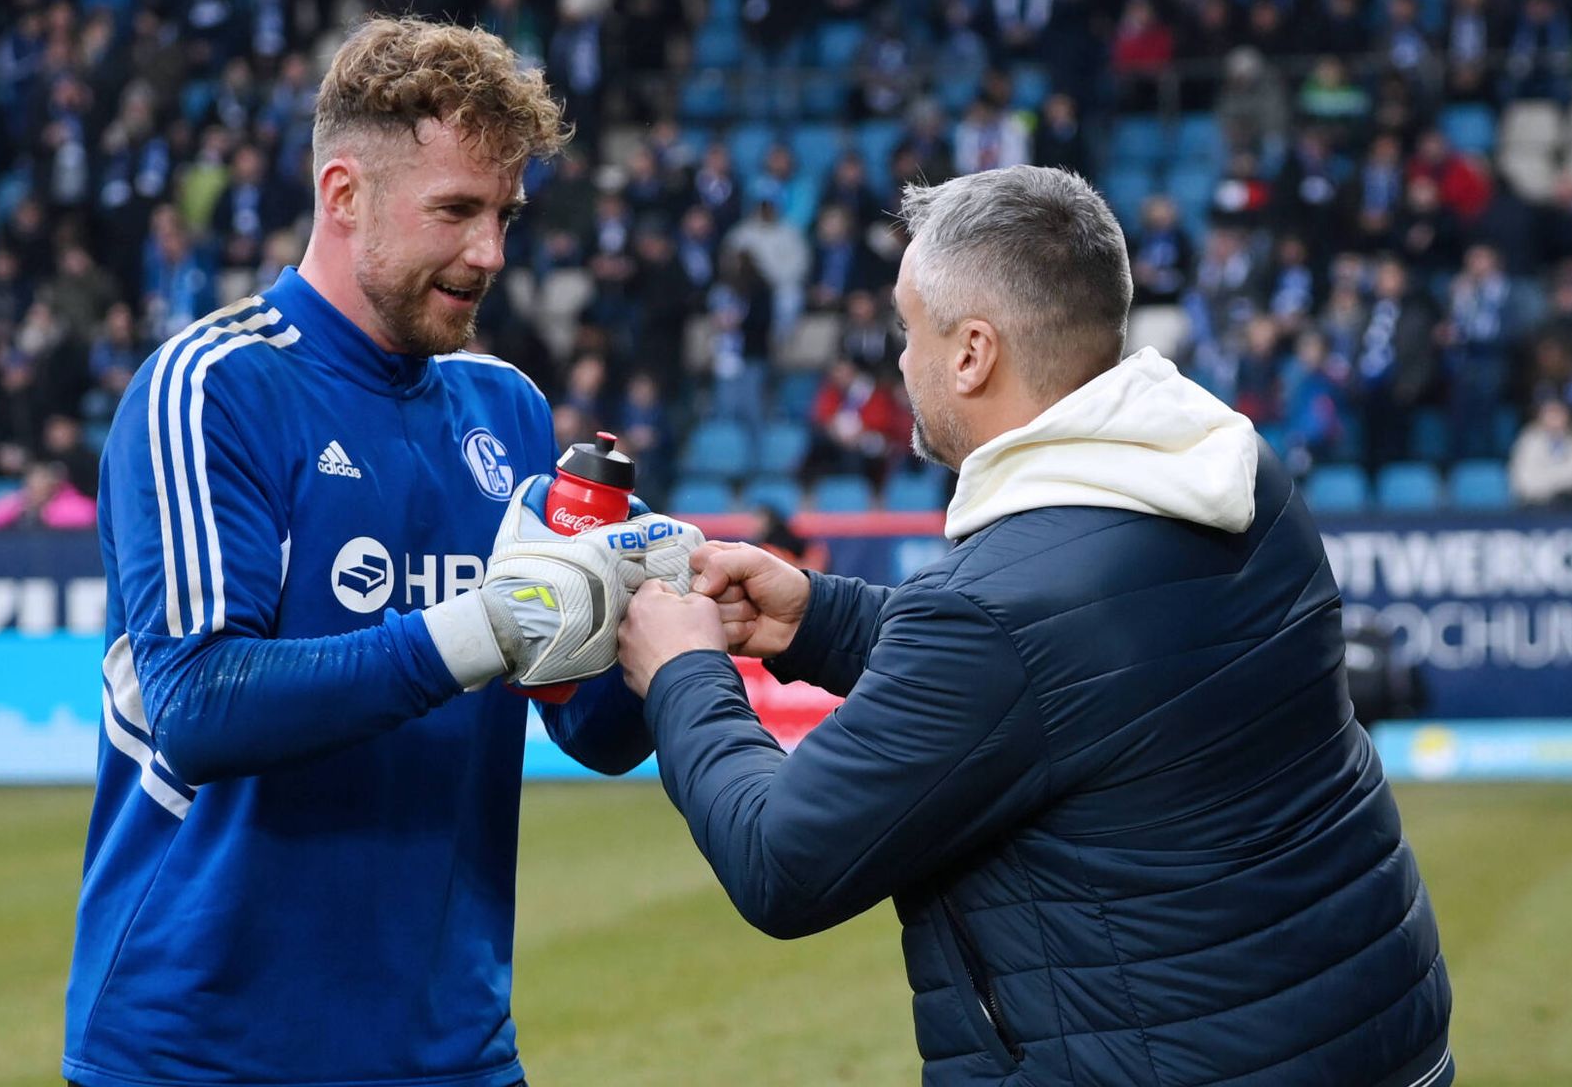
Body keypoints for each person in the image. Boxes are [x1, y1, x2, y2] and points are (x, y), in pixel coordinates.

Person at [617, 166, 1453, 1086]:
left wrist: (684, 671)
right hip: (1373, 1041)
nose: (900, 361)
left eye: (909, 330)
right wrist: (822, 617)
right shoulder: (1233, 468)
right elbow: (1086, 668)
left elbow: (782, 861)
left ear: (973, 353)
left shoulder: (1000, 610)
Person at [63, 17, 699, 1087]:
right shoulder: (213, 387)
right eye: (455, 211)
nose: (489, 253)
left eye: (503, 215)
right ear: (343, 194)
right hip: (207, 1051)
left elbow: (590, 730)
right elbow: (198, 703)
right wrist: (478, 628)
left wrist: (650, 616)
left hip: (451, 1049)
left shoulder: (503, 408)